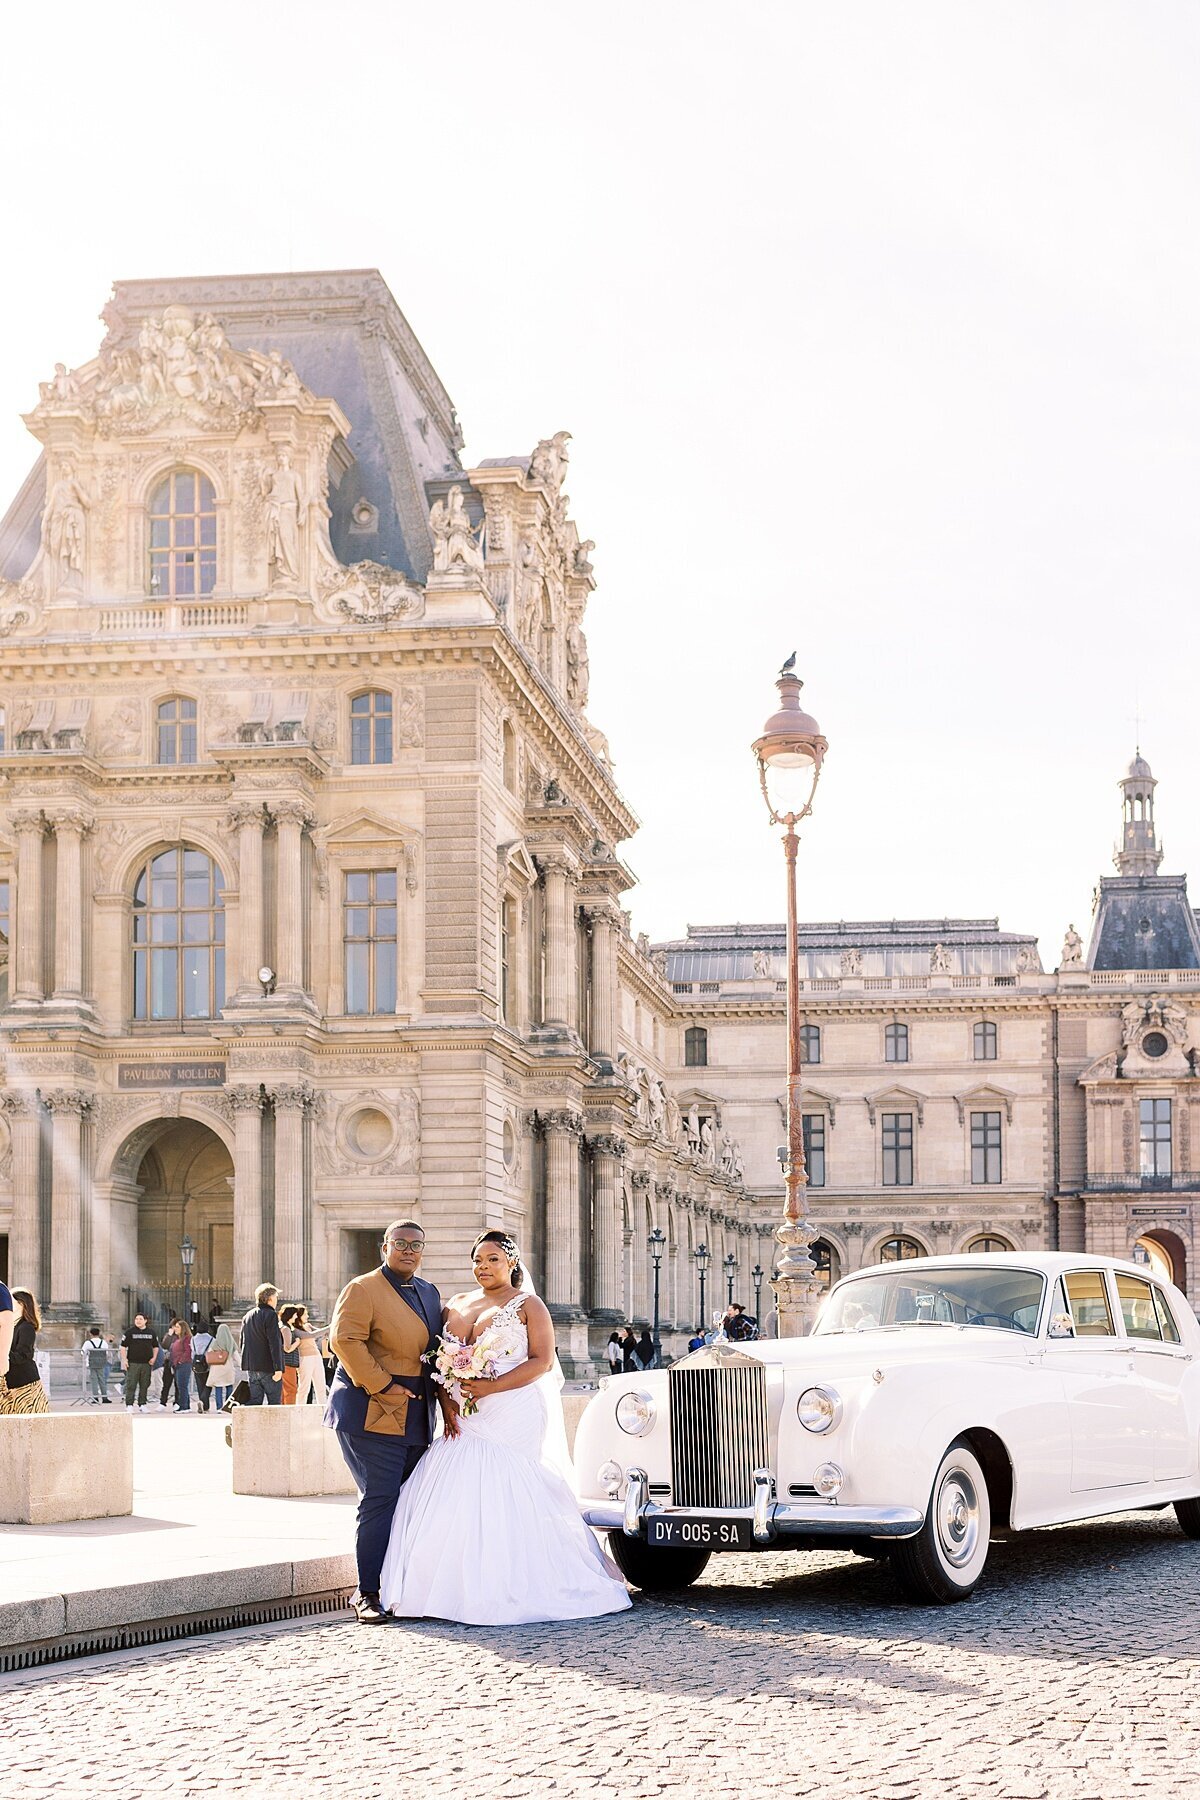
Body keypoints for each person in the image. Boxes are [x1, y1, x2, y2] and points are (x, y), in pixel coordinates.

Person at [378, 1230, 631, 1626]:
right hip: (463, 1411)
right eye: (477, 1259)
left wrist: (491, 1386)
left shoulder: (529, 1305)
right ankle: (442, 1588)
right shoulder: (456, 1305)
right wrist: (448, 1406)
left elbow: (541, 1361)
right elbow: (439, 1361)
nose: (483, 1267)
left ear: (511, 1263)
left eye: (492, 1259)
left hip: (513, 1406)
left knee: (508, 1480)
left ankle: (512, 1582)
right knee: (453, 1479)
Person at [326, 1221, 451, 1625]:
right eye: (400, 1243)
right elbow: (344, 1341)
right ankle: (366, 1592)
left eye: (417, 1244)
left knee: (410, 1498)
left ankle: (398, 1584)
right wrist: (383, 1385)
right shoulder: (362, 1288)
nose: (409, 1250)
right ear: (385, 1247)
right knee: (380, 1497)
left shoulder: (430, 1292)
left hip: (416, 1411)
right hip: (370, 1406)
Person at [0, 1288, 49, 1414]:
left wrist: (3, 1353)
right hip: (10, 1383)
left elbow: (24, 1355)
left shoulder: (26, 1326)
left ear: (22, 1304)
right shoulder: (12, 1325)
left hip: (25, 1384)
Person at [240, 1283, 284, 1404]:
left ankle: (245, 1423)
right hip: (269, 1367)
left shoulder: (247, 1316)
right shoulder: (271, 1315)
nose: (277, 1300)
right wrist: (278, 1368)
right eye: (275, 1297)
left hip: (252, 1367)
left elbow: (243, 1341)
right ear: (269, 1298)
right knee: (274, 1403)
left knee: (255, 1402)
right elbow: (274, 1343)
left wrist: (246, 1364)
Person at [289, 1304, 328, 1408]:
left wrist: (328, 1331)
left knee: (321, 1384)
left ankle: (323, 1410)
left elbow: (321, 1333)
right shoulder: (295, 1330)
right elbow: (312, 1335)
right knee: (304, 1386)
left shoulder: (308, 1325)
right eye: (305, 1314)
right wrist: (330, 1327)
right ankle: (299, 1409)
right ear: (299, 1315)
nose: (307, 1316)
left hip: (316, 1357)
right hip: (305, 1359)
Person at [121, 1313, 158, 1409]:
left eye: (140, 1319)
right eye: (136, 1319)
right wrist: (124, 1360)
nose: (138, 1321)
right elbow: (123, 1347)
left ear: (145, 1320)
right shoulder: (129, 1332)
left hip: (146, 1363)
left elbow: (155, 1346)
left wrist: (154, 1358)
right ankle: (129, 1404)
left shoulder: (151, 1333)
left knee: (144, 1384)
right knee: (131, 1384)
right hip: (133, 1363)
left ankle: (142, 1404)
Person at [205, 1315, 239, 1411]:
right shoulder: (231, 1342)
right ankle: (228, 1407)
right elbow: (236, 1356)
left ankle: (219, 1407)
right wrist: (242, 1365)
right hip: (228, 1368)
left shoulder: (215, 1342)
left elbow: (209, 1352)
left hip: (217, 1368)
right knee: (229, 1386)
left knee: (218, 1388)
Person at [190, 1320, 215, 1412]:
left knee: (200, 1385)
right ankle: (204, 1402)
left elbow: (192, 1352)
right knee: (209, 1384)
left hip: (197, 1363)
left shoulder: (193, 1339)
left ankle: (203, 1404)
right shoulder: (212, 1339)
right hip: (209, 1363)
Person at [168, 1319, 194, 1411]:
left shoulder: (187, 1338)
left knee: (182, 1386)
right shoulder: (177, 1339)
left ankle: (183, 1406)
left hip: (184, 1364)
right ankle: (186, 1406)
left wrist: (180, 1361)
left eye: (178, 1327)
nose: (175, 1328)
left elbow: (188, 1351)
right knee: (181, 1386)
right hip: (177, 1365)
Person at [279, 1304, 302, 1405]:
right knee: (291, 1390)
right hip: (287, 1363)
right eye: (295, 1314)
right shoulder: (286, 1329)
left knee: (284, 1391)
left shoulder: (283, 1327)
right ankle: (289, 1413)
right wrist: (297, 1342)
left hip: (285, 1363)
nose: (296, 1317)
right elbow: (287, 1349)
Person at [82, 1325, 111, 1404]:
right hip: (101, 1363)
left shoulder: (88, 1343)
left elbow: (83, 1352)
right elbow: (106, 1352)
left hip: (92, 1363)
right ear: (99, 1334)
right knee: (102, 1380)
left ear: (91, 1334)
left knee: (94, 1380)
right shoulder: (103, 1342)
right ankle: (105, 1397)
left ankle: (96, 1397)